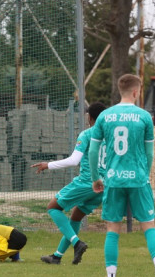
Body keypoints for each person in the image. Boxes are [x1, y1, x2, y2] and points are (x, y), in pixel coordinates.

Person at [87, 74, 155, 277]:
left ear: (120, 90)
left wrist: (96, 176)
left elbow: (93, 150)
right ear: (136, 92)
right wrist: (146, 174)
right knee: (148, 226)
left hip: (113, 179)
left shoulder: (105, 116)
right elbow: (149, 152)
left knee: (113, 229)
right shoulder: (144, 117)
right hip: (138, 179)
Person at [33, 101, 108, 266]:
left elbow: (74, 161)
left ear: (90, 117)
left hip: (87, 182)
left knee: (52, 207)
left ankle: (77, 243)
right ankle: (57, 256)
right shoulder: (111, 136)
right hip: (105, 186)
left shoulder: (87, 134)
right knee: (76, 216)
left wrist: (48, 165)